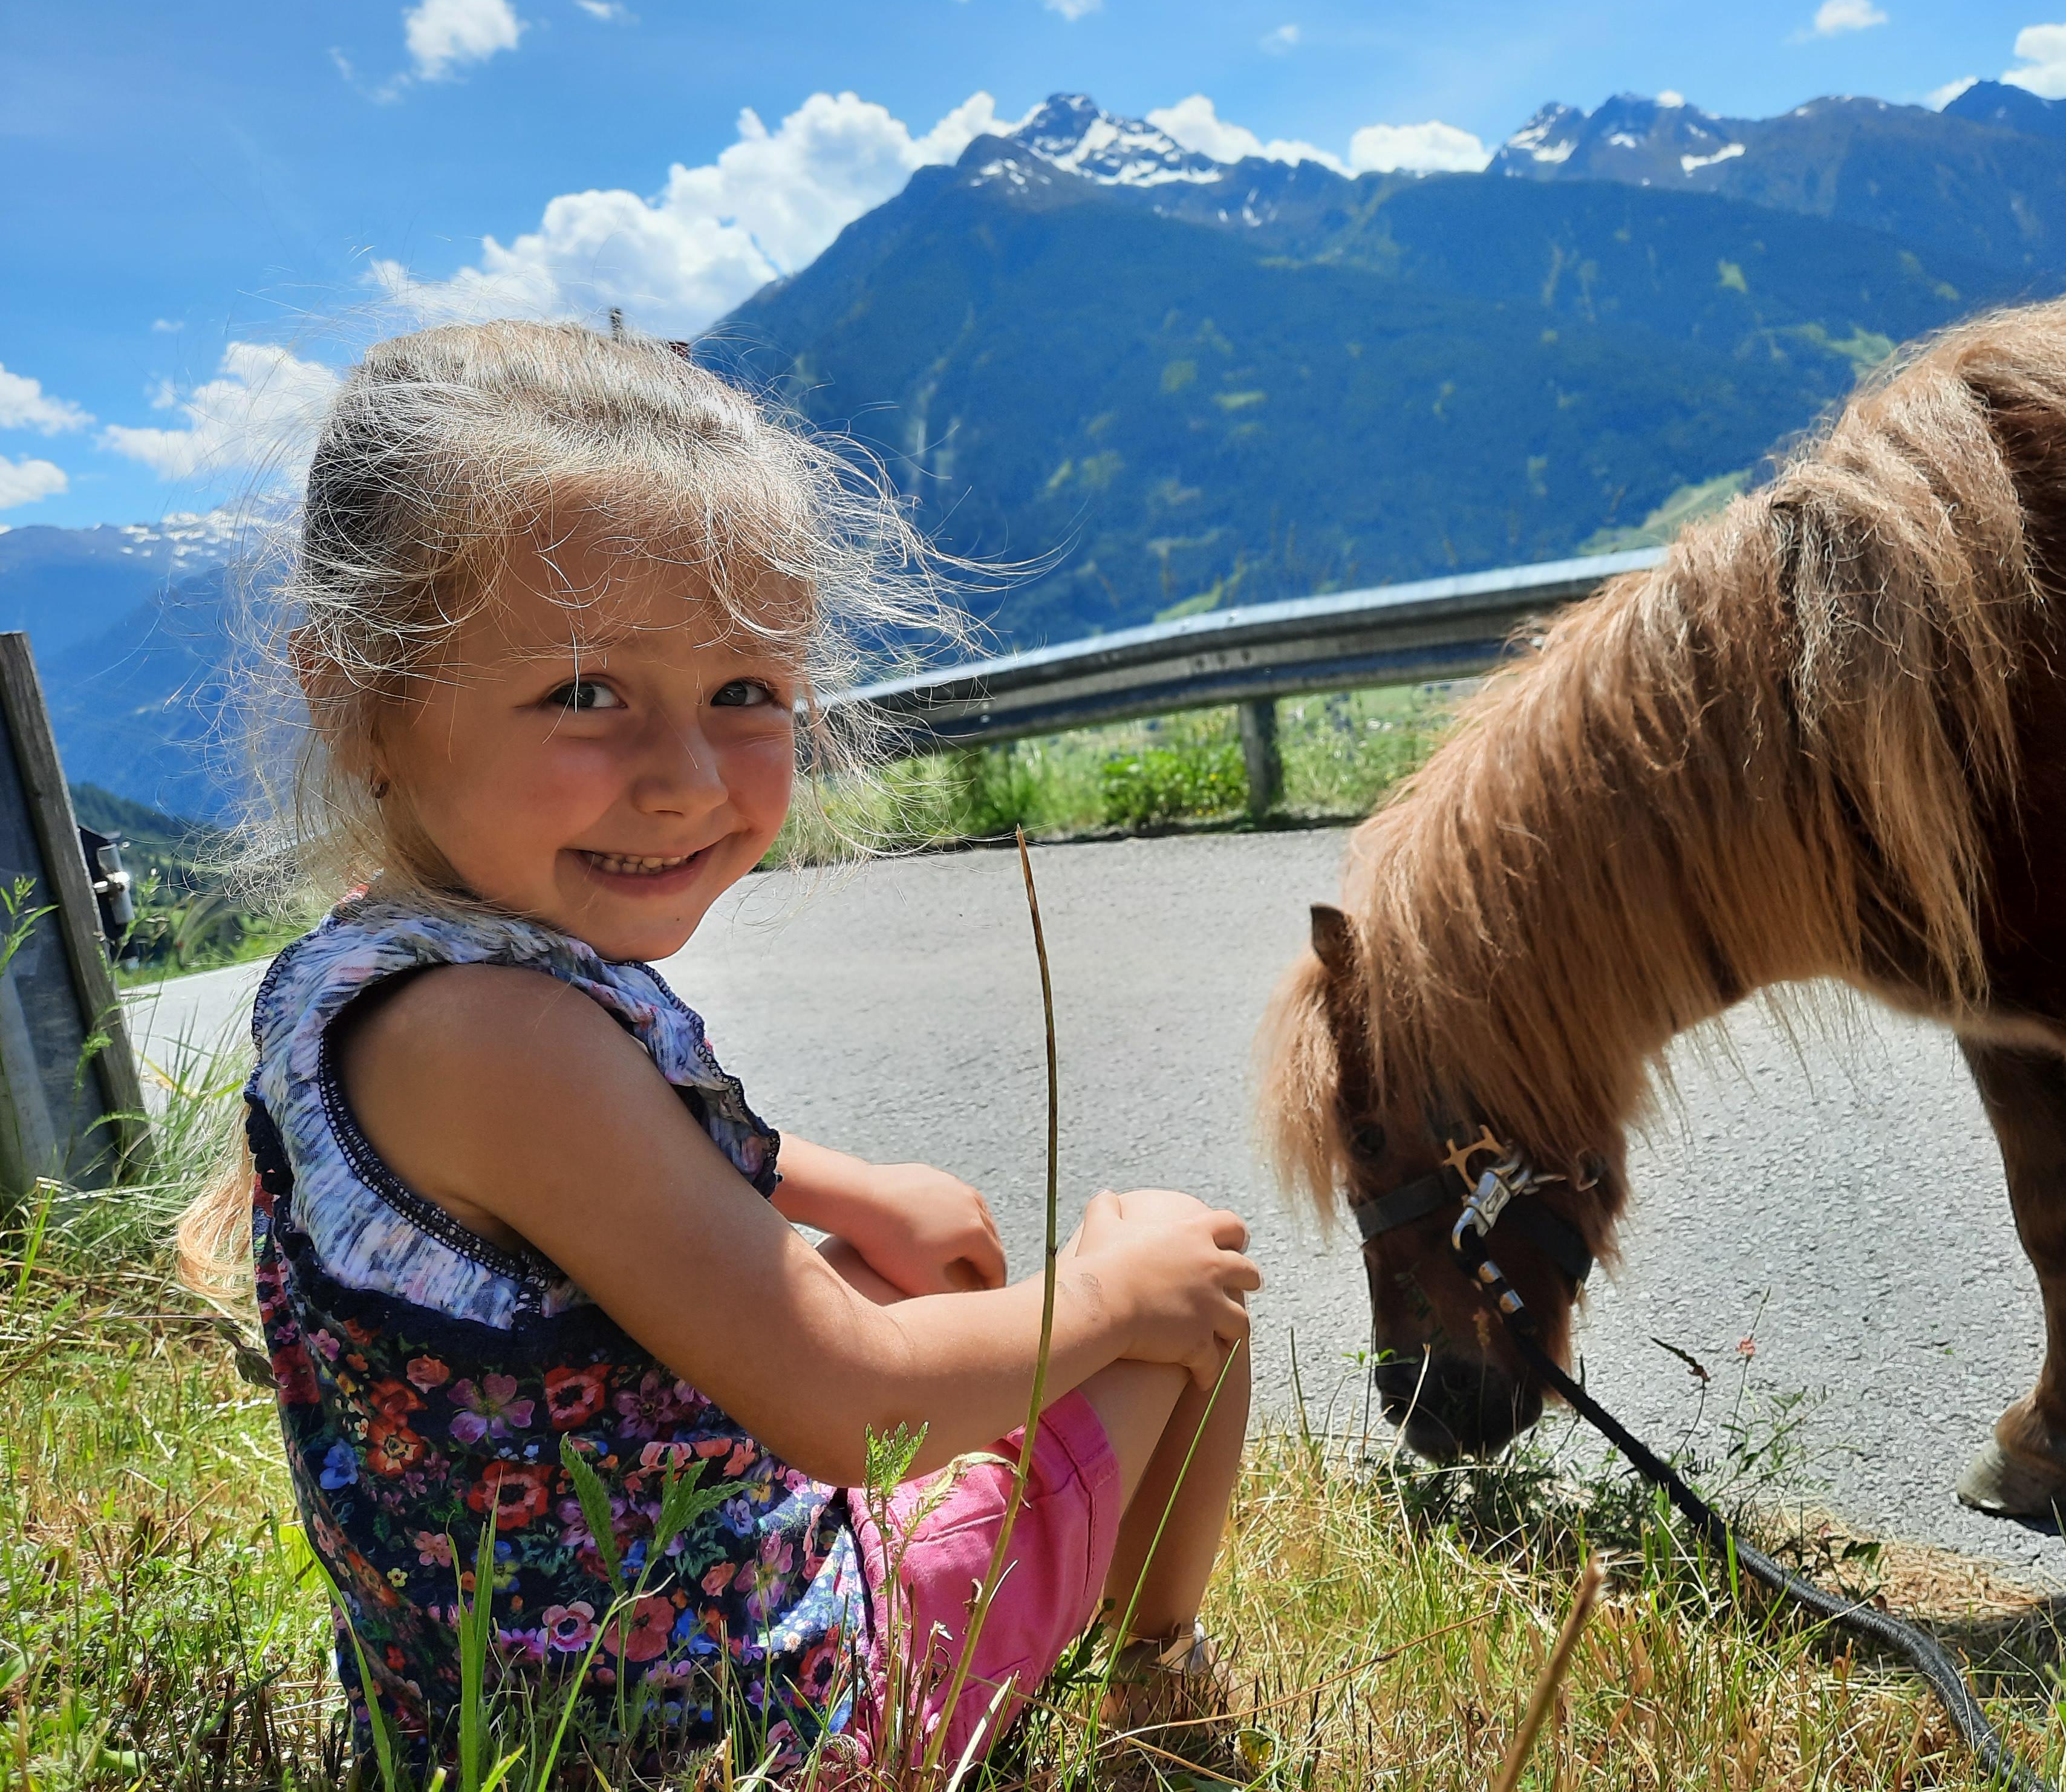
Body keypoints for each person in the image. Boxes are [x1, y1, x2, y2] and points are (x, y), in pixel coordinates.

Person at [174, 320, 1259, 1782]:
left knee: (919, 1262)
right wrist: (1115, 1295)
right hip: (756, 1733)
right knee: (1190, 1270)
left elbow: (591, 1160)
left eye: (746, 692)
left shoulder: (379, 960)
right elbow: (853, 1403)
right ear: (357, 698)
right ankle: (1157, 1693)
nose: (685, 781)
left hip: (501, 1706)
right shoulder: (505, 1037)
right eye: (583, 692)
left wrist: (838, 1186)